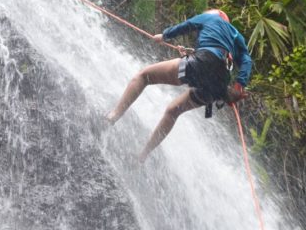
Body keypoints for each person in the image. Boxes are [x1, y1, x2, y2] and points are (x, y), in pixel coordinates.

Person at [106, 9, 252, 163]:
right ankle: (142, 156)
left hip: (203, 61)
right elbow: (246, 61)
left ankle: (112, 116)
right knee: (173, 111)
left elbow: (188, 25)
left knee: (144, 76)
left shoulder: (211, 18)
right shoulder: (236, 35)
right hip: (220, 81)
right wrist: (239, 85)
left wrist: (165, 36)